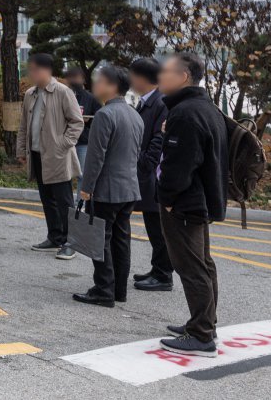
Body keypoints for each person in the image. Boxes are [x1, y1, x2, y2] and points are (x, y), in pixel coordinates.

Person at [156, 52, 227, 358]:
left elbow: (179, 166)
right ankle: (205, 323)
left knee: (192, 267)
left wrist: (168, 200)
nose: (160, 76)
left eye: (166, 71)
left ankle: (200, 335)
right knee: (203, 264)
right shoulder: (206, 108)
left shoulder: (185, 113)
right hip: (201, 200)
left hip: (185, 204)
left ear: (183, 77)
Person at [73, 65, 143, 308]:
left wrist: (86, 187)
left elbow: (96, 156)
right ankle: (118, 290)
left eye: (100, 81)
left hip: (106, 188)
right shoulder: (134, 114)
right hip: (129, 188)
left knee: (100, 239)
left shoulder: (105, 115)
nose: (96, 85)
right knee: (121, 239)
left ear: (112, 86)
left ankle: (103, 289)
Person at [17, 54, 84, 260]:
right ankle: (54, 236)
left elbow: (77, 122)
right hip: (37, 154)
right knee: (47, 199)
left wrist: (62, 144)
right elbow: (23, 125)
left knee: (64, 200)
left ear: (46, 70)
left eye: (35, 69)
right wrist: (21, 150)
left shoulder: (63, 92)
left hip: (58, 155)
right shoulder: (30, 93)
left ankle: (71, 242)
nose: (32, 73)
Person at [129, 57, 173, 293]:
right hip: (146, 173)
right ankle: (157, 269)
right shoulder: (148, 101)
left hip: (152, 175)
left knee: (158, 228)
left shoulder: (160, 103)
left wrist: (145, 162)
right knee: (152, 226)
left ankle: (164, 275)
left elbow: (159, 138)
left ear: (143, 78)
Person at [64, 66, 103, 170]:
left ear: (83, 80)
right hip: (64, 141)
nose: (74, 80)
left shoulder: (91, 98)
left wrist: (88, 122)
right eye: (71, 77)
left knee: (83, 173)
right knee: (64, 173)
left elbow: (100, 119)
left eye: (77, 77)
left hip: (84, 142)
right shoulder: (61, 96)